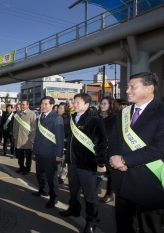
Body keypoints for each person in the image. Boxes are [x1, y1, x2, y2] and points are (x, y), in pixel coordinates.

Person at [109, 72, 164, 233]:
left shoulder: (161, 111)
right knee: (123, 225)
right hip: (122, 181)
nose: (128, 91)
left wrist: (125, 160)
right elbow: (113, 140)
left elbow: (160, 147)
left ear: (149, 88)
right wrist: (114, 159)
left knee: (149, 227)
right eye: (127, 86)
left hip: (149, 182)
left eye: (133, 86)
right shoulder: (124, 113)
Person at [59, 93, 107, 233]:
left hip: (87, 164)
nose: (75, 104)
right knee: (73, 190)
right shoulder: (73, 118)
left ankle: (91, 221)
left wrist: (101, 163)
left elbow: (101, 144)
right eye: (74, 102)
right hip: (73, 162)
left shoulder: (94, 120)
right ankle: (74, 209)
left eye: (78, 102)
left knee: (89, 195)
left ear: (87, 104)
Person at [32, 96, 65, 209]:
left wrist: (59, 154)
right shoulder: (40, 116)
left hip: (50, 153)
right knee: (40, 174)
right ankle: (43, 190)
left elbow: (60, 137)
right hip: (39, 151)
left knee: (52, 178)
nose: (43, 106)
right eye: (42, 104)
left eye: (46, 104)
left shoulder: (56, 118)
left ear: (52, 105)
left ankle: (53, 198)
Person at [97, 96, 119, 203]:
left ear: (111, 105)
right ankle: (97, 187)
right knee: (98, 168)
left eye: (105, 103)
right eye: (101, 103)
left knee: (110, 172)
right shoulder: (98, 116)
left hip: (110, 148)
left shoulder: (115, 118)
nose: (102, 105)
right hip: (98, 148)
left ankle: (110, 194)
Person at [12, 100, 36, 175]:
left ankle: (27, 169)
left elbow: (34, 127)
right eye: (21, 105)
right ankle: (21, 167)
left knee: (28, 156)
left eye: (23, 105)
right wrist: (14, 134)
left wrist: (32, 136)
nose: (22, 106)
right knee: (19, 155)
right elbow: (15, 125)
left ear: (28, 105)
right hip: (18, 138)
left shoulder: (32, 114)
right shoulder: (17, 114)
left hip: (27, 138)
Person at [57, 102, 70, 184]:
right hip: (56, 142)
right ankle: (58, 174)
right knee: (57, 160)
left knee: (64, 162)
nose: (59, 109)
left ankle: (63, 176)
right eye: (59, 108)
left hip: (64, 143)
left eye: (61, 108)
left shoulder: (68, 119)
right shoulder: (56, 117)